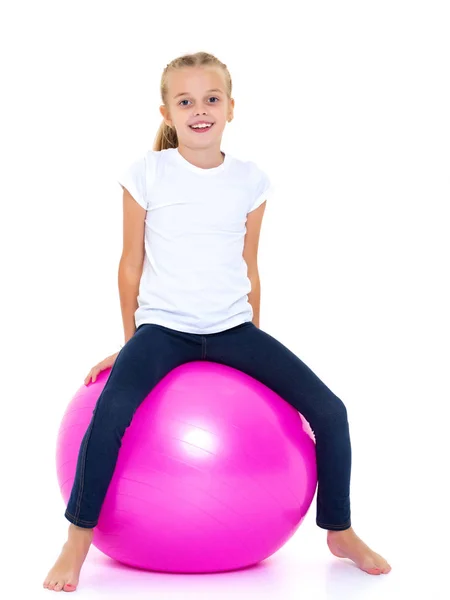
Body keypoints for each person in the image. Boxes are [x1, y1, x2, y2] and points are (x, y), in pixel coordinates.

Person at [43, 51, 391, 592]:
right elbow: (129, 263)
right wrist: (130, 344)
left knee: (330, 410)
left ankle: (339, 528)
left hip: (232, 330)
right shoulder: (146, 174)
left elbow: (249, 265)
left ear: (231, 107)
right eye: (185, 101)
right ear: (166, 112)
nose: (199, 110)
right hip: (163, 330)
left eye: (211, 99)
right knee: (108, 417)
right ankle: (76, 541)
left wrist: (253, 348)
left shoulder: (251, 181)